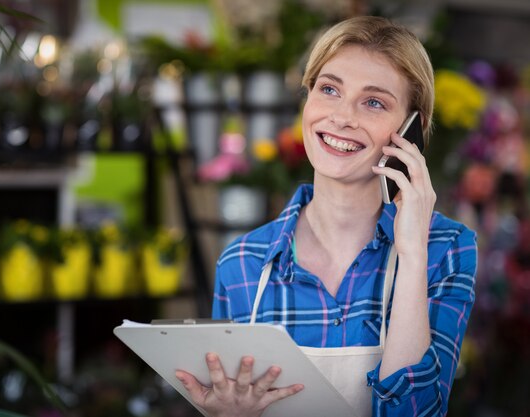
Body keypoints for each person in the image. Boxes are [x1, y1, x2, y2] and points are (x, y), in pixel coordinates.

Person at [175, 15, 477, 417]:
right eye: (329, 89)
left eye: (374, 102)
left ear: (411, 129)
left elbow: (415, 413)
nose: (342, 117)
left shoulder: (446, 249)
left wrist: (411, 253)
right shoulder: (243, 261)